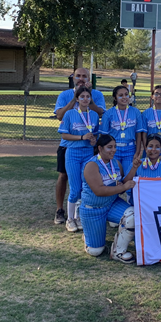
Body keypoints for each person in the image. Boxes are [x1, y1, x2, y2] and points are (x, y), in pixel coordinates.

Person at [53, 67, 106, 225]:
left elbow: (100, 113)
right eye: (78, 76)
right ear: (73, 77)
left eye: (84, 76)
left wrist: (88, 97)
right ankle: (60, 210)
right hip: (69, 146)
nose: (81, 78)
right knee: (64, 176)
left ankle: (80, 214)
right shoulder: (65, 95)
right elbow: (60, 115)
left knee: (85, 182)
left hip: (88, 147)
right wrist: (75, 98)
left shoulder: (96, 94)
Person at [80, 134, 141, 263]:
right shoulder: (91, 165)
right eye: (109, 147)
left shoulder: (115, 162)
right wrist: (122, 187)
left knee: (133, 216)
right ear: (100, 148)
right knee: (95, 251)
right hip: (93, 209)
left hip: (112, 203)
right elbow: (99, 191)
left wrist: (134, 168)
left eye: (114, 147)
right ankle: (88, 234)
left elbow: (122, 184)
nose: (113, 150)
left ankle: (118, 251)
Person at [58, 86, 101, 232]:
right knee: (75, 188)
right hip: (73, 153)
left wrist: (93, 141)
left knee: (84, 188)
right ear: (77, 99)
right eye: (82, 97)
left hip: (88, 153)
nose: (85, 99)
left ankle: (78, 217)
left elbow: (95, 135)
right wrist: (81, 137)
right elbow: (64, 135)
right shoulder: (69, 114)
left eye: (87, 97)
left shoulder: (94, 115)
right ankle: (69, 219)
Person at [135, 135, 161, 268]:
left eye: (157, 147)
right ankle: (144, 253)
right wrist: (132, 168)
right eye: (150, 146)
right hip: (141, 207)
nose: (153, 149)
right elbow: (128, 185)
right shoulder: (138, 165)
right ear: (145, 148)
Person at [98, 85, 145, 202]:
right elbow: (103, 136)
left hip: (130, 149)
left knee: (130, 179)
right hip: (114, 151)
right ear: (115, 98)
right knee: (113, 180)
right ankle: (112, 205)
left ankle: (131, 206)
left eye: (126, 94)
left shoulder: (135, 112)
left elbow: (138, 134)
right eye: (120, 95)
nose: (124, 97)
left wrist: (138, 151)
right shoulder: (109, 114)